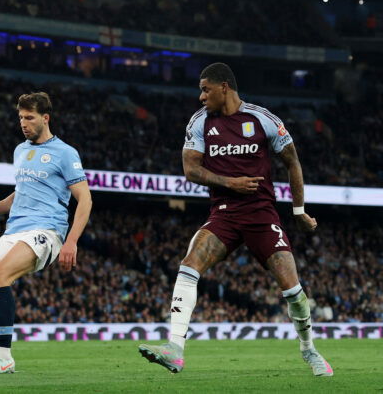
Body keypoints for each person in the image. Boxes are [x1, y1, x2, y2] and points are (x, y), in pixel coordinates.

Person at [138, 63, 333, 377]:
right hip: (224, 214)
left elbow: (292, 162)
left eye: (206, 90)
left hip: (261, 215)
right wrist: (230, 183)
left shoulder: (262, 119)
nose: (201, 97)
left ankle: (309, 349)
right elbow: (190, 170)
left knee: (292, 289)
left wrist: (298, 211)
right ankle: (175, 349)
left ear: (224, 87)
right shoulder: (200, 122)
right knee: (189, 265)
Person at [0, 92, 92, 374]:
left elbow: (85, 198)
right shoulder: (20, 150)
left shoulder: (65, 153)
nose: (24, 123)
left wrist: (71, 241)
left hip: (46, 229)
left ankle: (4, 356)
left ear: (45, 118)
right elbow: (20, 194)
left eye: (30, 118)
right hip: (15, 229)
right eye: (21, 118)